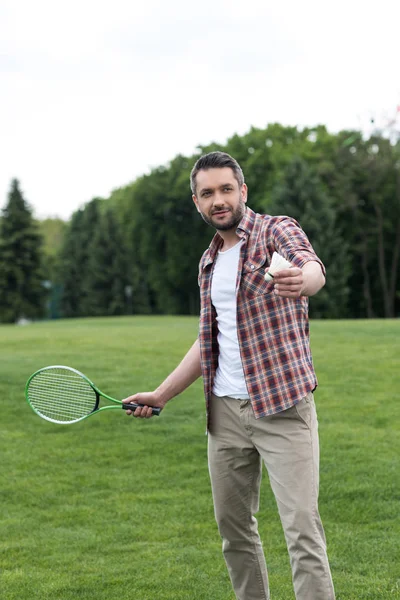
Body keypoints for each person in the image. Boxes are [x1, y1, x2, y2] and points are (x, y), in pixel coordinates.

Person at [123, 151, 336, 600]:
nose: (217, 200)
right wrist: (162, 394)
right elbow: (208, 341)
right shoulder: (208, 263)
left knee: (302, 531)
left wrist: (305, 279)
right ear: (196, 203)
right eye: (207, 193)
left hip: (282, 407)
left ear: (242, 191)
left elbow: (309, 264)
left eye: (225, 189)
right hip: (224, 416)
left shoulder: (274, 230)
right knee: (235, 535)